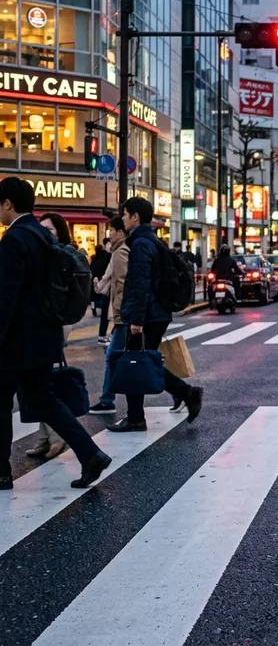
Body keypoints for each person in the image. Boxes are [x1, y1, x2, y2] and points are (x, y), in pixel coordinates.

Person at [0, 177, 112, 489]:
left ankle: (1, 471)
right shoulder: (43, 236)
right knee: (45, 401)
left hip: (14, 343)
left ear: (8, 204)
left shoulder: (13, 239)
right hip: (44, 337)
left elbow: (6, 297)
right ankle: (91, 454)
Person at [107, 197, 203, 433]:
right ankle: (183, 395)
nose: (123, 218)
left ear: (135, 217)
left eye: (125, 214)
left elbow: (140, 283)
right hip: (156, 313)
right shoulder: (151, 240)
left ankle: (139, 416)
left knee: (135, 360)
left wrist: (136, 320)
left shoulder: (140, 244)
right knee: (144, 359)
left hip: (147, 315)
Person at [25, 212, 76, 460]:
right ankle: (45, 438)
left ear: (61, 231)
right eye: (43, 228)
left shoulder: (63, 255)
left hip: (54, 326)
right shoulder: (46, 253)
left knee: (46, 386)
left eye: (51, 229)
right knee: (40, 386)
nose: (46, 233)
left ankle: (56, 438)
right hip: (43, 326)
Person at [88, 217, 130, 414]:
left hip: (125, 316)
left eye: (111, 231)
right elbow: (110, 281)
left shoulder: (121, 252)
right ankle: (106, 399)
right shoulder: (118, 251)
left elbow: (121, 283)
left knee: (114, 356)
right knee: (135, 356)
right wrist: (99, 286)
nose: (109, 234)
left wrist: (120, 314)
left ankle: (106, 400)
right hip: (126, 315)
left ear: (120, 232)